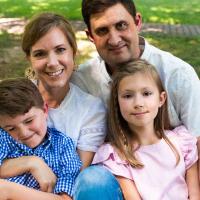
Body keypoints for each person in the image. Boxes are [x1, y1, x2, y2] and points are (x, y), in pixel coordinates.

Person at [71, 1, 200, 198]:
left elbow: (196, 144)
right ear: (90, 35)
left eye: (121, 25)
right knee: (92, 180)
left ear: (137, 21)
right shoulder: (82, 80)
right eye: (103, 30)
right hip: (120, 179)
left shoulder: (178, 74)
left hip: (176, 183)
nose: (114, 39)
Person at [0, 12, 106, 192]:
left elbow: (75, 177)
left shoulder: (90, 109)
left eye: (60, 50)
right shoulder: (13, 99)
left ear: (74, 51)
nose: (52, 62)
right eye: (40, 54)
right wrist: (32, 163)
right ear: (29, 59)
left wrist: (10, 192)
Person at [92, 59, 200, 199]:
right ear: (117, 103)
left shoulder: (182, 142)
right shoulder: (118, 155)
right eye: (128, 96)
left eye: (147, 94)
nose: (138, 103)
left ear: (161, 99)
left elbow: (195, 195)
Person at [0, 78, 82, 200]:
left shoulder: (63, 145)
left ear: (44, 110)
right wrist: (31, 163)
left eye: (29, 121)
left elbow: (65, 195)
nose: (23, 133)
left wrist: (8, 191)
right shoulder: (4, 137)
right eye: (11, 128)